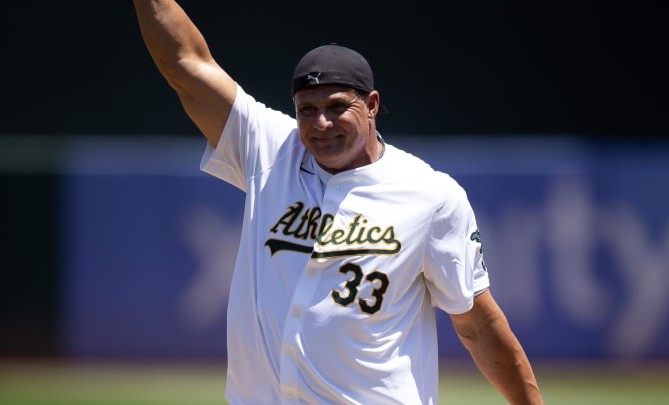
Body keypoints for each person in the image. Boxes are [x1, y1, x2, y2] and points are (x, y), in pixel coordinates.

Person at [133, 1, 544, 404]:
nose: (321, 123)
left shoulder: (430, 195)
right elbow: (185, 63)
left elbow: (476, 323)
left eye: (337, 107)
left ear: (372, 105)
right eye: (307, 109)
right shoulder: (272, 151)